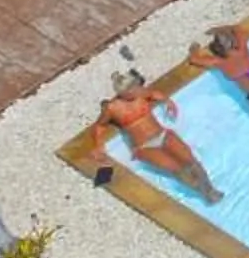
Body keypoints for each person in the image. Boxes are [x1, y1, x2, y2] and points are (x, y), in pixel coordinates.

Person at [92, 71, 220, 202]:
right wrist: (99, 144)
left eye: (135, 87)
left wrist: (167, 101)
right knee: (175, 168)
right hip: (144, 146)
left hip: (163, 134)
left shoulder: (140, 93)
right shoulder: (112, 109)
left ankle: (210, 188)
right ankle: (204, 193)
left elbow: (154, 94)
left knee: (191, 160)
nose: (135, 91)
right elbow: (100, 126)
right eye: (131, 90)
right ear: (122, 93)